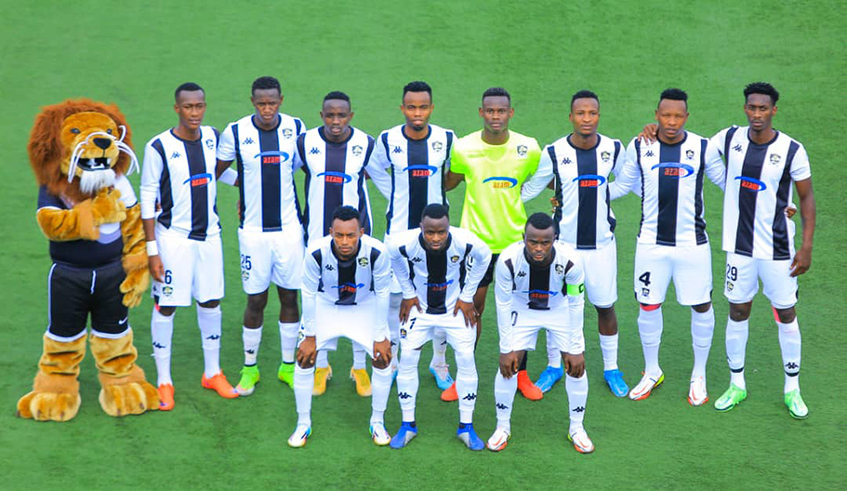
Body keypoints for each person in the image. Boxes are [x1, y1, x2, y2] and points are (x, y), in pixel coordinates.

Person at [607, 88, 725, 405]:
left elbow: (729, 183)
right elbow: (620, 186)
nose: (671, 122)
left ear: (686, 117)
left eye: (678, 116)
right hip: (650, 245)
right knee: (648, 305)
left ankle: (698, 374)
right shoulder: (640, 145)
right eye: (665, 115)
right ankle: (651, 371)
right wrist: (578, 183)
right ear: (656, 116)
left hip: (693, 245)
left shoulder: (702, 147)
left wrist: (777, 202)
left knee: (701, 305)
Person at [710, 82, 815, 419]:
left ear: (774, 110)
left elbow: (806, 198)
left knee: (785, 313)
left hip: (779, 250)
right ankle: (736, 384)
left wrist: (807, 245)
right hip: (739, 249)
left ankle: (792, 389)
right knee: (738, 311)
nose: (757, 114)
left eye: (763, 108)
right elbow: (696, 151)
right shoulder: (729, 138)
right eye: (751, 107)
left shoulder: (792, 150)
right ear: (745, 108)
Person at [521, 89, 629, 397]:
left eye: (591, 113)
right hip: (564, 246)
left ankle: (611, 368)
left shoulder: (613, 148)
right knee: (557, 306)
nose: (586, 118)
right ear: (571, 117)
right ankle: (554, 365)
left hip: (601, 245)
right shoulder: (554, 152)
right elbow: (533, 187)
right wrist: (502, 192)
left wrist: (602, 193)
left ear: (598, 115)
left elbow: (626, 180)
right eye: (580, 113)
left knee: (604, 307)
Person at [140, 82, 237, 410]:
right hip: (173, 240)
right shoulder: (158, 147)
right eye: (188, 107)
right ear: (177, 109)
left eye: (200, 106)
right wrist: (152, 251)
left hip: (210, 238)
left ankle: (212, 373)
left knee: (211, 302)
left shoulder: (212, 136)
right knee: (166, 306)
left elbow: (216, 172)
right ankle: (164, 381)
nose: (195, 113)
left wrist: (248, 183)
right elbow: (147, 198)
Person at [445, 87, 544, 401]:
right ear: (481, 113)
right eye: (490, 111)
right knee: (471, 310)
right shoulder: (463, 148)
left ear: (510, 113)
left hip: (516, 245)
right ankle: (464, 377)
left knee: (520, 310)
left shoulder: (528, 148)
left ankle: (522, 375)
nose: (496, 116)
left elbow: (545, 178)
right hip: (475, 245)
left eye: (501, 111)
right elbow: (448, 182)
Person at [215, 76, 306, 396]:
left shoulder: (296, 127)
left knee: (290, 297)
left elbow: (303, 164)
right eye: (261, 104)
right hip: (253, 233)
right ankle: (249, 368)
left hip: (289, 230)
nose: (267, 109)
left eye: (272, 103)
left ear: (281, 99)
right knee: (255, 299)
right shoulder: (236, 132)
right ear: (252, 102)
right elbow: (217, 169)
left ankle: (287, 367)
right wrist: (246, 184)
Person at [367, 80, 456, 391]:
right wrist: (393, 196)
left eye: (423, 107)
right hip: (399, 231)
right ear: (402, 108)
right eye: (411, 107)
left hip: (438, 235)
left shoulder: (446, 138)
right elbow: (375, 169)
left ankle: (439, 361)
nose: (417, 113)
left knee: (441, 296)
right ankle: (392, 359)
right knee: (394, 297)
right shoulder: (388, 138)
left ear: (431, 108)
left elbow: (454, 174)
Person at [387, 204, 491, 450]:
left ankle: (466, 426)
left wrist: (467, 296)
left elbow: (485, 257)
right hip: (419, 310)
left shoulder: (465, 241)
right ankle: (407, 424)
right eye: (430, 232)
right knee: (408, 359)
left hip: (454, 310)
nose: (435, 238)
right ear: (421, 227)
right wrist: (408, 291)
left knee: (466, 358)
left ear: (449, 228)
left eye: (441, 232)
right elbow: (394, 259)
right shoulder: (401, 243)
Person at [293, 91, 377, 397]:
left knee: (359, 298)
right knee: (318, 297)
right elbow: (289, 176)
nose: (336, 121)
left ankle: (358, 367)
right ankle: (322, 365)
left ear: (351, 116)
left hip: (357, 236)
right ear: (322, 115)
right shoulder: (305, 143)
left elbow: (378, 178)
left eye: (342, 115)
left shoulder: (366, 143)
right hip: (316, 234)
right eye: (330, 115)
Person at [287, 206, 394, 447]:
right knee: (304, 358)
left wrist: (379, 335)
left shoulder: (378, 252)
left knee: (383, 358)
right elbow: (309, 292)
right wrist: (310, 336)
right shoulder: (315, 252)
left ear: (361, 233)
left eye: (351, 235)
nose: (345, 242)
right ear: (330, 233)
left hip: (363, 306)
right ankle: (303, 423)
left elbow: (383, 292)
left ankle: (377, 421)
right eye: (339, 235)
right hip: (327, 306)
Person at [487, 213, 592, 453]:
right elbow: (502, 305)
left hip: (560, 308)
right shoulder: (507, 261)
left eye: (545, 242)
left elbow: (576, 303)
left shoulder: (571, 261)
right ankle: (502, 427)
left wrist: (576, 348)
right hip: (522, 309)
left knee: (576, 369)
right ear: (523, 238)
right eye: (533, 241)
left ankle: (577, 428)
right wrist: (506, 348)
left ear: (555, 239)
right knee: (509, 367)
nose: (539, 248)